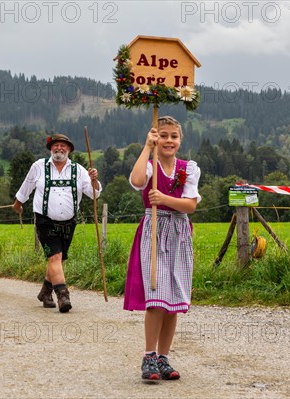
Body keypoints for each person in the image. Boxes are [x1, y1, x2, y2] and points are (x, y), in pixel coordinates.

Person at [123, 116, 201, 381]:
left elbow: (190, 205)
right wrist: (147, 146)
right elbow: (135, 181)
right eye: (164, 136)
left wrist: (165, 198)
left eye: (173, 136)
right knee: (156, 298)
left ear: (180, 140)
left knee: (174, 301)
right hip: (154, 231)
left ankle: (164, 357)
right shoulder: (149, 165)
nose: (169, 141)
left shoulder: (188, 168)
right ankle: (149, 356)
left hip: (179, 233)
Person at [12, 133, 102, 313]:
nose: (59, 148)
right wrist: (18, 203)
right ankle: (63, 295)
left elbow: (94, 195)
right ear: (50, 148)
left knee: (58, 259)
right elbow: (26, 186)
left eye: (63, 145)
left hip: (69, 223)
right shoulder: (39, 166)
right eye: (56, 145)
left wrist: (94, 181)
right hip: (44, 222)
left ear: (69, 149)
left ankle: (45, 292)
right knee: (54, 257)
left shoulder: (79, 170)